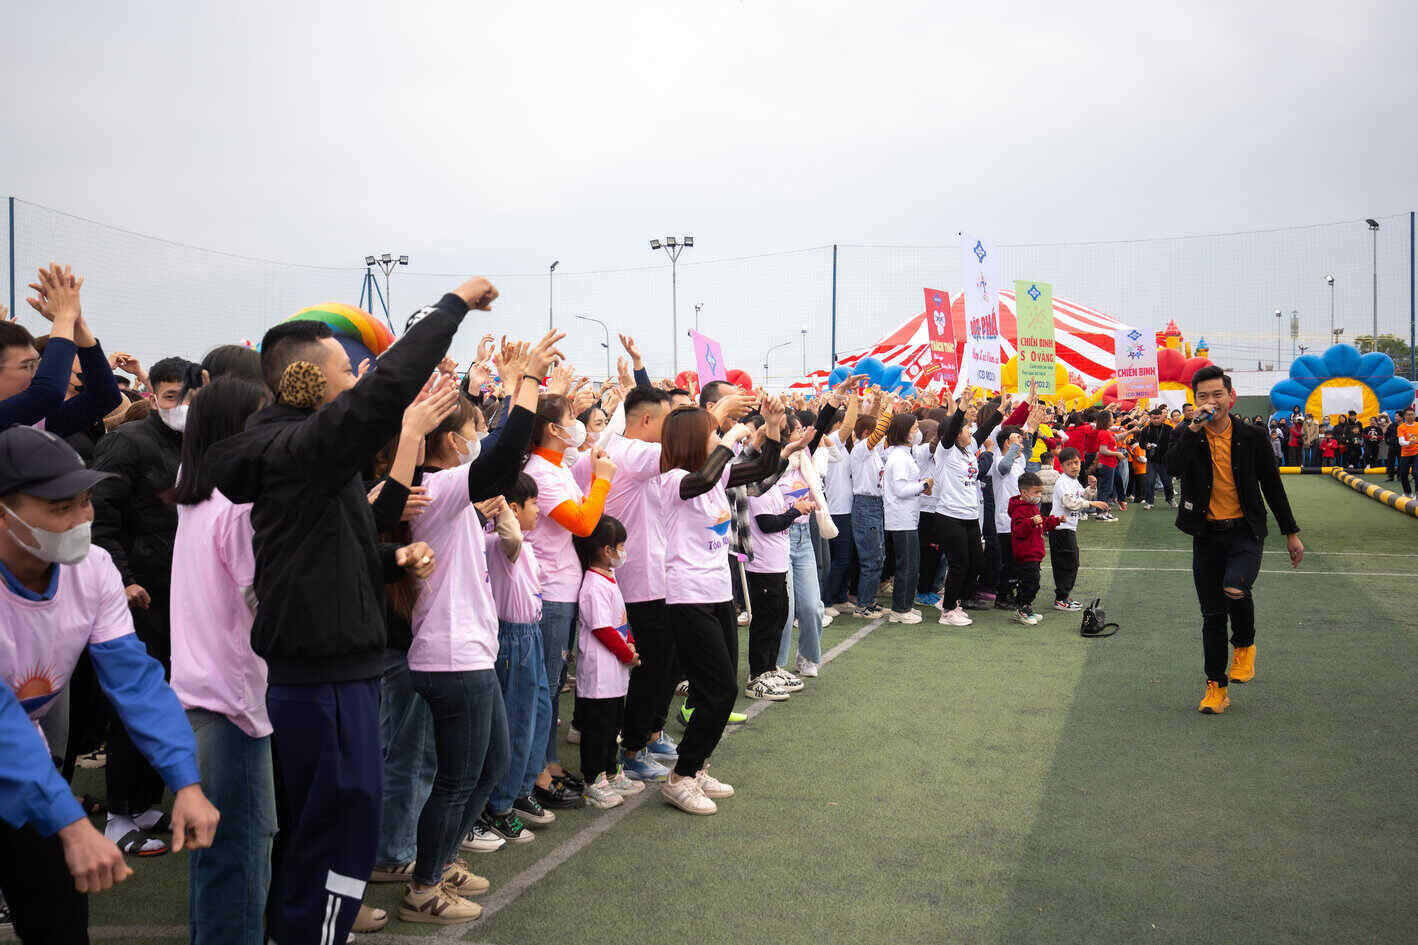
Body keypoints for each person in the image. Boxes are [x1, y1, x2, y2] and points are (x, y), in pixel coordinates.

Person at [206, 278, 492, 945]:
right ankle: (310, 932)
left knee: (336, 824)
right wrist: (451, 308)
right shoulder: (301, 451)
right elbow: (384, 390)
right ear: (308, 379)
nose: (358, 375)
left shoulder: (306, 454)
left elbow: (340, 543)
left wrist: (388, 561)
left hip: (339, 674)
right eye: (345, 367)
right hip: (323, 681)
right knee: (337, 826)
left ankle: (309, 929)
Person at [0, 424, 220, 944]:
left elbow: (135, 679)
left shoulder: (93, 568)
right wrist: (73, 823)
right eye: (60, 509)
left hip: (20, 765)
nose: (82, 520)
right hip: (14, 749)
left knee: (58, 915)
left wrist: (186, 781)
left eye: (86, 502)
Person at [169, 377, 278, 945]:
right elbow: (261, 598)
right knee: (239, 854)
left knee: (216, 862)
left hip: (202, 697)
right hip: (233, 705)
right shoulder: (237, 509)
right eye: (263, 419)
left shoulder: (194, 495)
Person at [90, 354, 199, 856]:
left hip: (185, 596)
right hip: (137, 596)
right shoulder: (127, 443)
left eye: (190, 396)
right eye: (173, 396)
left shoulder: (202, 444)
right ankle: (117, 813)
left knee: (166, 700)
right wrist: (123, 579)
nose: (181, 406)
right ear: (153, 394)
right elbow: (99, 517)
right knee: (134, 701)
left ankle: (144, 800)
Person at [656, 399, 782, 814]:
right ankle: (679, 777)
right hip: (688, 597)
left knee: (725, 687)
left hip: (718, 594)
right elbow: (702, 480)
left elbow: (763, 468)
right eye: (711, 431)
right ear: (694, 439)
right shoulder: (672, 479)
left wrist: (774, 426)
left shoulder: (715, 473)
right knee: (718, 688)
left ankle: (698, 767)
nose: (718, 435)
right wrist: (729, 439)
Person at [1164, 365, 1303, 716]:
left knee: (1235, 588)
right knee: (1211, 615)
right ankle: (1216, 687)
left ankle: (1244, 645)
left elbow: (1272, 486)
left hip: (1244, 531)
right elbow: (1173, 467)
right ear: (1194, 402)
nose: (1210, 402)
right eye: (1202, 397)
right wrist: (1193, 428)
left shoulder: (1253, 437)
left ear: (1231, 397)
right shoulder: (1189, 433)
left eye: (1216, 395)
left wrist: (1291, 533)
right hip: (1206, 534)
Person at [522, 391, 617, 813]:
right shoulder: (540, 471)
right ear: (553, 429)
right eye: (571, 418)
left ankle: (549, 761)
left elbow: (596, 451)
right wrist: (603, 482)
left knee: (553, 682)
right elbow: (581, 523)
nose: (577, 424)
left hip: (562, 586)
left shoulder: (555, 465)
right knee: (543, 684)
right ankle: (536, 772)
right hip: (550, 589)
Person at [0, 264, 122, 438]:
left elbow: (105, 397)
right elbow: (47, 393)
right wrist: (64, 316)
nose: (37, 374)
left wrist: (77, 323)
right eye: (27, 366)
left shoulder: (32, 423)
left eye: (37, 364)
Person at [572, 516, 643, 808]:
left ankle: (611, 771)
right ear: (605, 550)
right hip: (599, 673)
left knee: (613, 725)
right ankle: (593, 780)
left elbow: (620, 622)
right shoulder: (592, 585)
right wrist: (627, 653)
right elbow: (603, 628)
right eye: (620, 547)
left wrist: (631, 646)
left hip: (615, 673)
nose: (623, 552)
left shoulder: (609, 579)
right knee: (597, 730)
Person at [882, 413, 930, 624]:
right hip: (901, 517)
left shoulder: (903, 454)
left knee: (912, 563)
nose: (917, 431)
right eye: (914, 427)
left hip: (908, 517)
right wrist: (924, 485)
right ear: (904, 431)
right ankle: (900, 609)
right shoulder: (899, 458)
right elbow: (900, 489)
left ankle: (905, 605)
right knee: (907, 565)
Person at [1007, 472, 1063, 626]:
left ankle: (1026, 608)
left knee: (1033, 582)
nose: (1039, 495)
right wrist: (1030, 522)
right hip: (1026, 554)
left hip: (1034, 553)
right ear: (1024, 493)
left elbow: (1042, 522)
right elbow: (1018, 530)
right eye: (1036, 492)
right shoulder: (1019, 510)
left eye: (1040, 492)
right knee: (1030, 583)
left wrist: (1055, 521)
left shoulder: (1032, 507)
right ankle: (1022, 609)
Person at [1396, 407, 1418, 496]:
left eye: (1412, 414)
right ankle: (1407, 493)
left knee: (1416, 473)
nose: (1410, 416)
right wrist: (1409, 442)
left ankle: (1417, 494)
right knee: (1403, 474)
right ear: (1404, 416)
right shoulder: (1401, 427)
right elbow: (1401, 442)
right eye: (1408, 415)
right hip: (1405, 454)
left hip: (1416, 453)